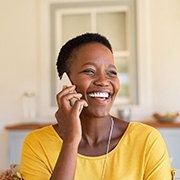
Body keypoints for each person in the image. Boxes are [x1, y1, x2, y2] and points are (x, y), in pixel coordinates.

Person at [20, 33, 174, 179]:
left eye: (111, 72)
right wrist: (71, 140)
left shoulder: (147, 140)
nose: (103, 81)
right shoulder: (37, 144)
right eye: (89, 71)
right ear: (65, 82)